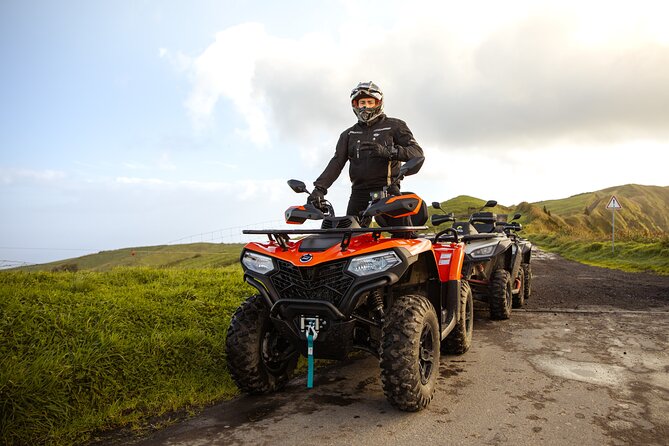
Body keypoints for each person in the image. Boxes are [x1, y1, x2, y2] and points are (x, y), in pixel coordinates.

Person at [308, 81, 424, 228]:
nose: (366, 106)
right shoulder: (348, 134)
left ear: (378, 103)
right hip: (358, 193)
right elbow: (336, 163)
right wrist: (319, 189)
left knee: (404, 234)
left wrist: (389, 152)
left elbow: (417, 153)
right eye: (362, 102)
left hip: (387, 190)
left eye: (370, 102)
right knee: (349, 238)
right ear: (355, 105)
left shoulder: (395, 126)